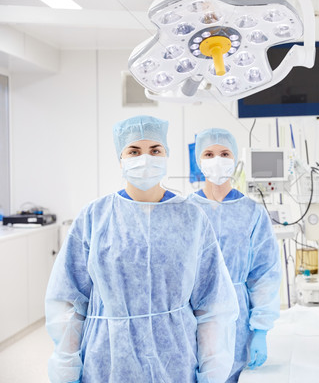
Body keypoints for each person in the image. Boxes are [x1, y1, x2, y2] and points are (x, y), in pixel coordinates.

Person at [45, 116, 239, 383]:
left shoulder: (191, 218)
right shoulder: (95, 217)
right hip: (107, 360)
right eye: (134, 151)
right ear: (120, 158)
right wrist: (66, 366)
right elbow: (69, 301)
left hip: (176, 360)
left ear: (166, 155)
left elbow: (212, 304)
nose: (145, 158)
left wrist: (213, 370)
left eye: (155, 150)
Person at [190, 128, 281, 382]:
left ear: (235, 159)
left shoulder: (252, 213)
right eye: (209, 153)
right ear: (199, 160)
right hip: (191, 318)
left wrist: (260, 329)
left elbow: (264, 273)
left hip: (237, 321)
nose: (217, 159)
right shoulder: (185, 210)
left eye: (224, 153)